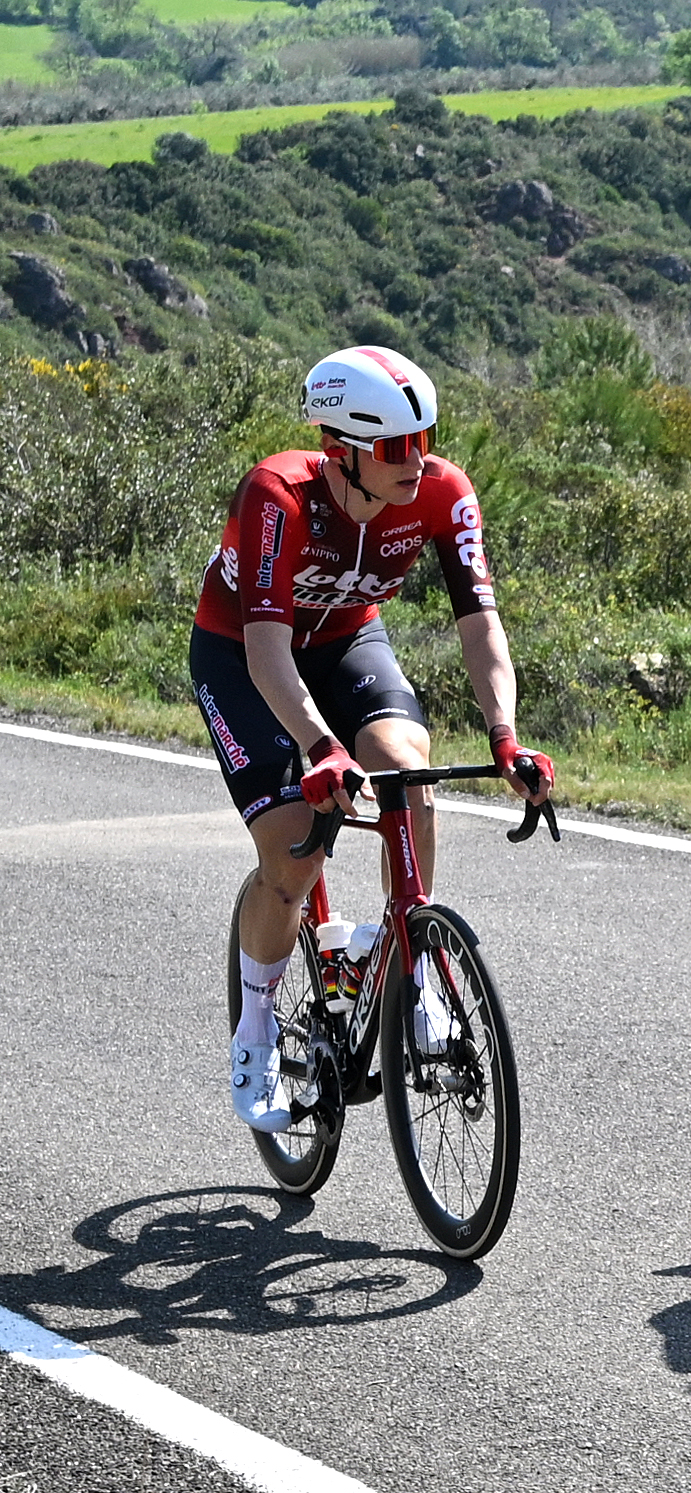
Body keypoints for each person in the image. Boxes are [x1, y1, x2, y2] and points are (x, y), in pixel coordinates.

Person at [195, 345, 549, 1130]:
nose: (417, 461)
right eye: (395, 448)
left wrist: (505, 735)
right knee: (294, 848)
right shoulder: (275, 494)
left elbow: (479, 624)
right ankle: (255, 1030)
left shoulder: (443, 492)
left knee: (407, 772)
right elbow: (264, 651)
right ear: (341, 451)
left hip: (349, 643)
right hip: (244, 655)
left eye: (422, 438)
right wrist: (321, 748)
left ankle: (412, 970)